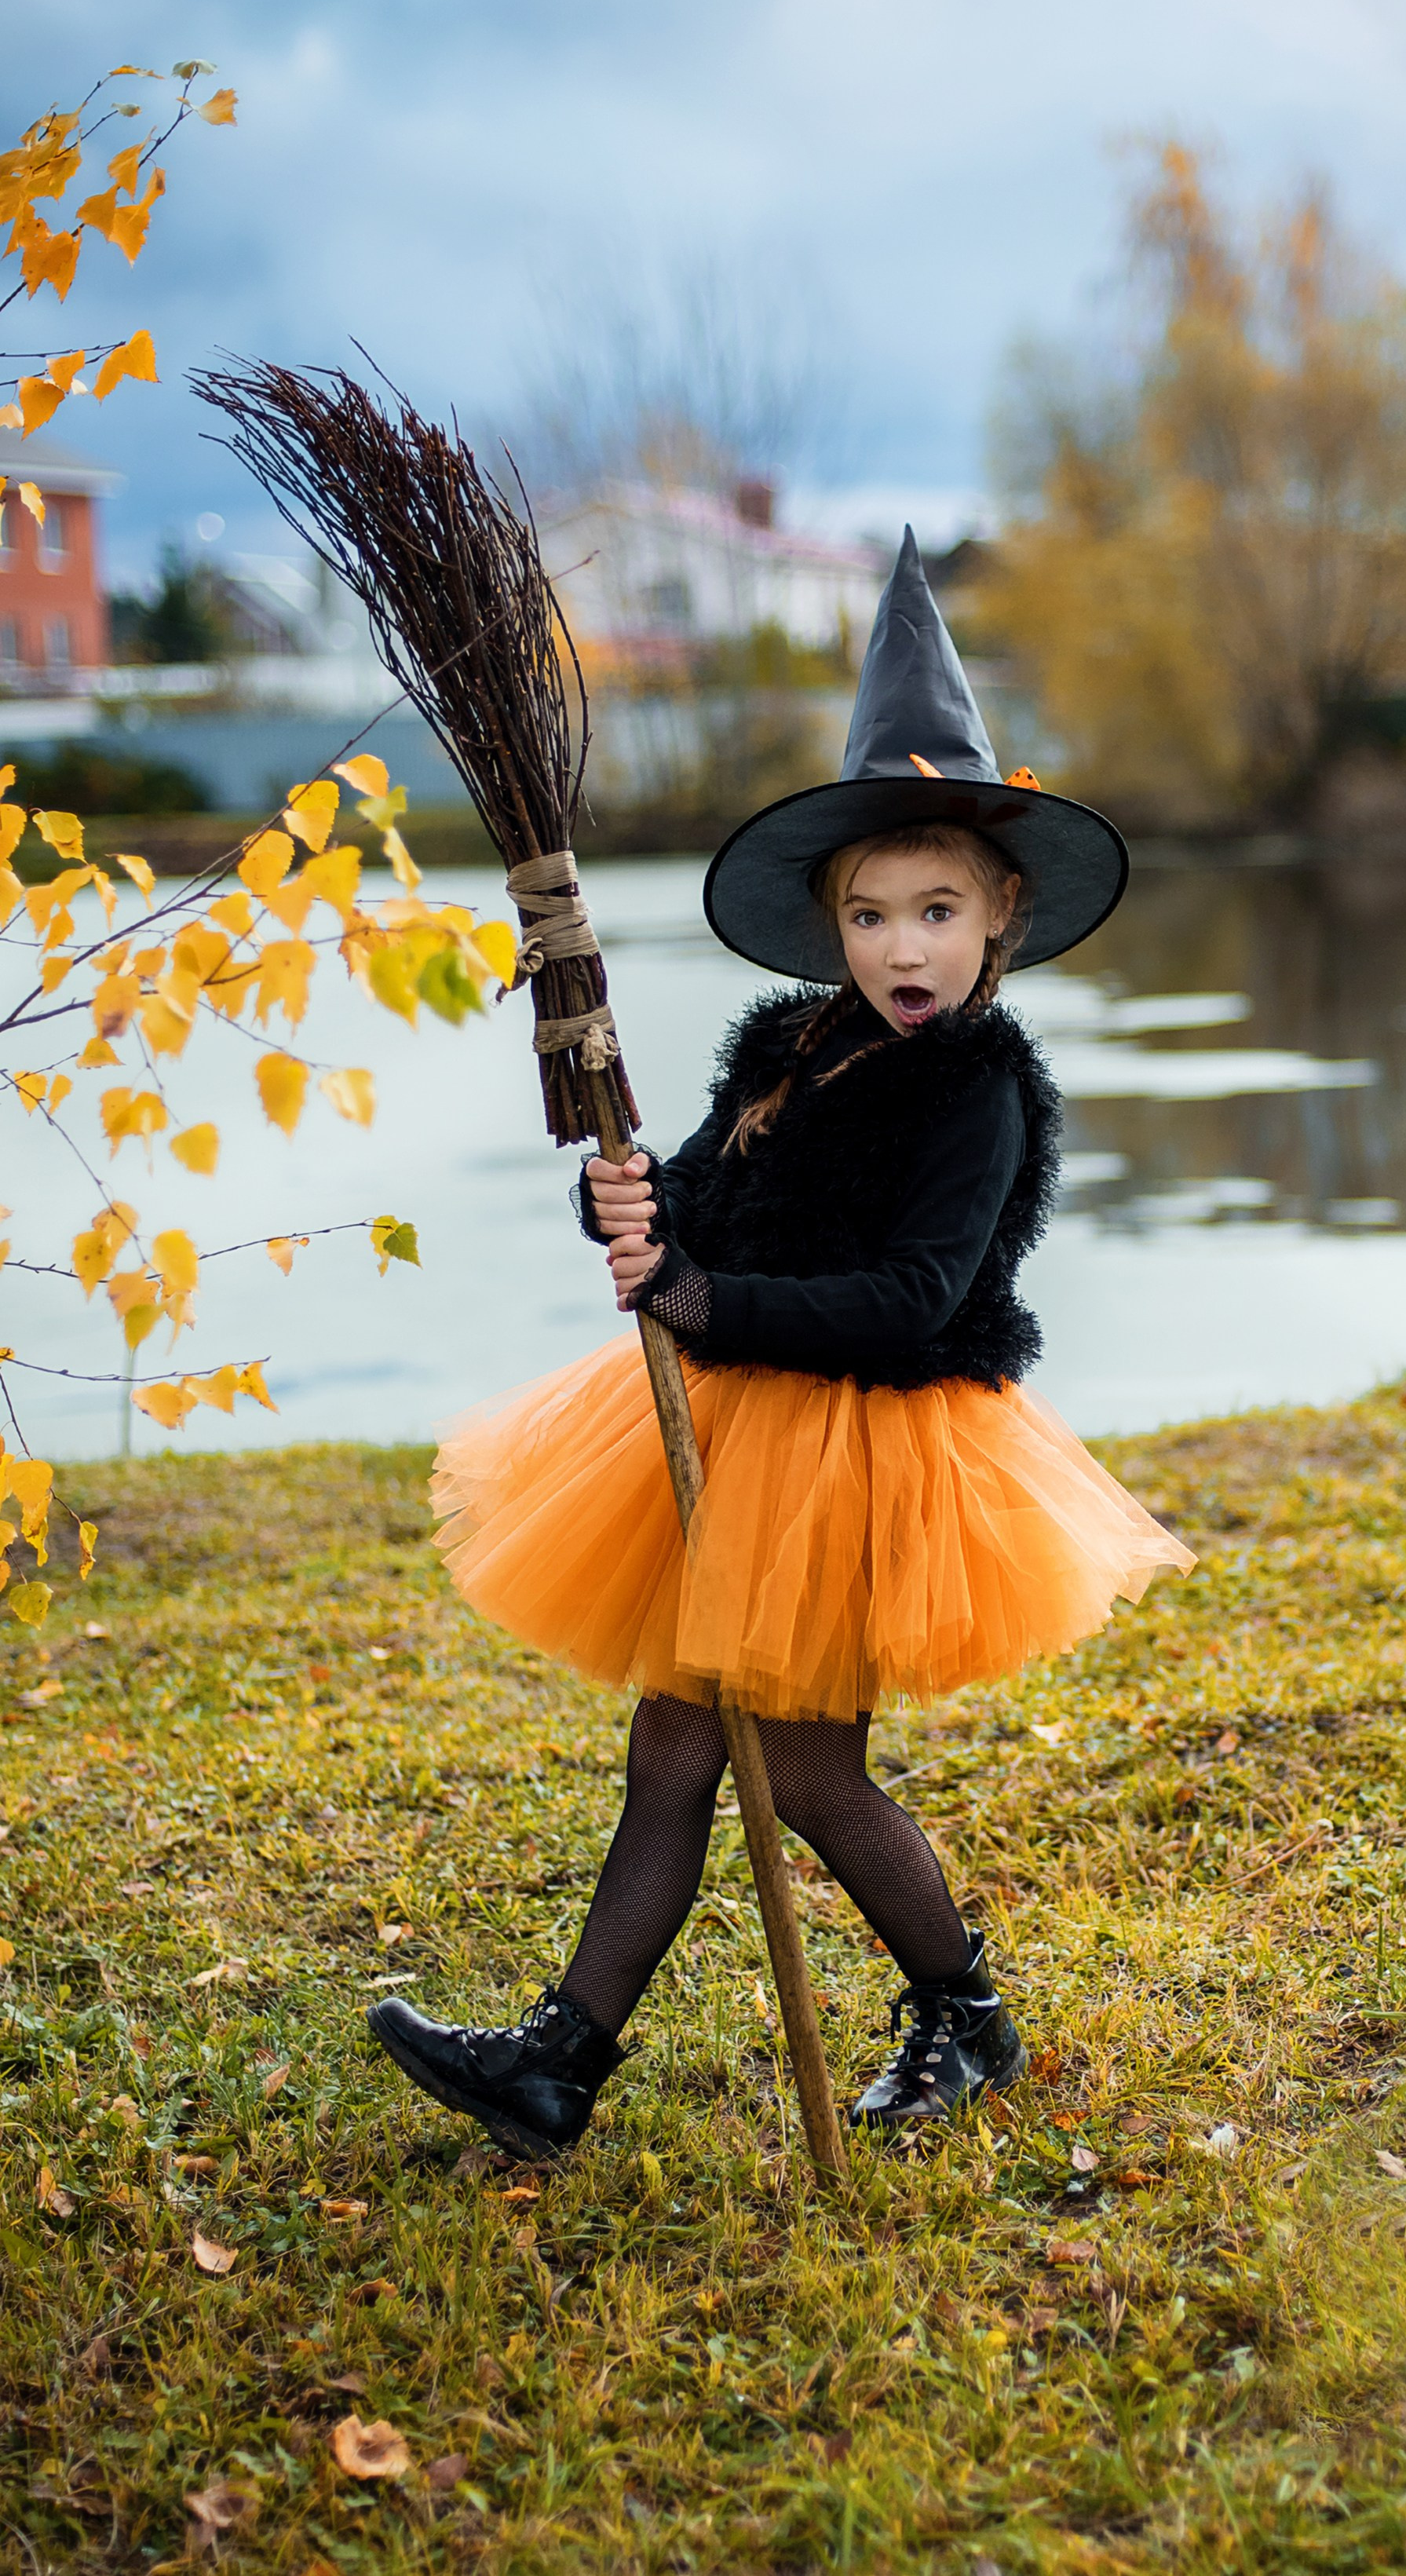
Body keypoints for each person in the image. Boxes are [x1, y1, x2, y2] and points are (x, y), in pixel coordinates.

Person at [368, 530, 1194, 2163]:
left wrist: (701, 1297)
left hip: (871, 1443)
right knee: (670, 1746)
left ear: (998, 915)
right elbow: (698, 1212)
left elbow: (904, 1296)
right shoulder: (783, 1040)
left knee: (808, 1773)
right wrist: (631, 1204)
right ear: (830, 923)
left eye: (937, 910)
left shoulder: (979, 1088)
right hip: (742, 1423)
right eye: (871, 911)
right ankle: (561, 2059)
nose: (902, 944)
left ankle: (961, 2008)